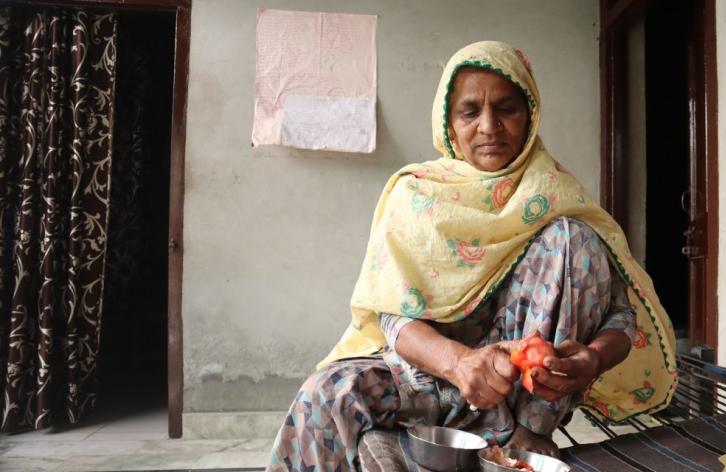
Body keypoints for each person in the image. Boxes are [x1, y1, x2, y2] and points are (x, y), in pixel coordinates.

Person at [267, 41, 677, 472]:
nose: (489, 126)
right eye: (470, 112)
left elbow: (619, 318)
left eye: (506, 109)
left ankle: (530, 431)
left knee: (575, 239)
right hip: (426, 382)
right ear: (449, 122)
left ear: (530, 115)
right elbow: (392, 316)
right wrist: (460, 364)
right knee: (326, 393)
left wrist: (592, 359)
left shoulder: (557, 196)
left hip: (517, 397)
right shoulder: (416, 194)